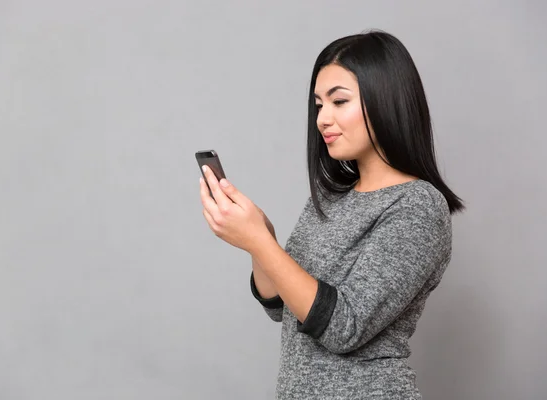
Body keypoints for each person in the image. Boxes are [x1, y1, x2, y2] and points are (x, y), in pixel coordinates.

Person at [199, 29, 464, 400]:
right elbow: (282, 307)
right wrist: (261, 240)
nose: (322, 118)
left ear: (385, 101)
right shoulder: (331, 196)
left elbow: (343, 326)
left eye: (339, 101)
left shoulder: (417, 206)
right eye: (319, 105)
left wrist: (259, 241)